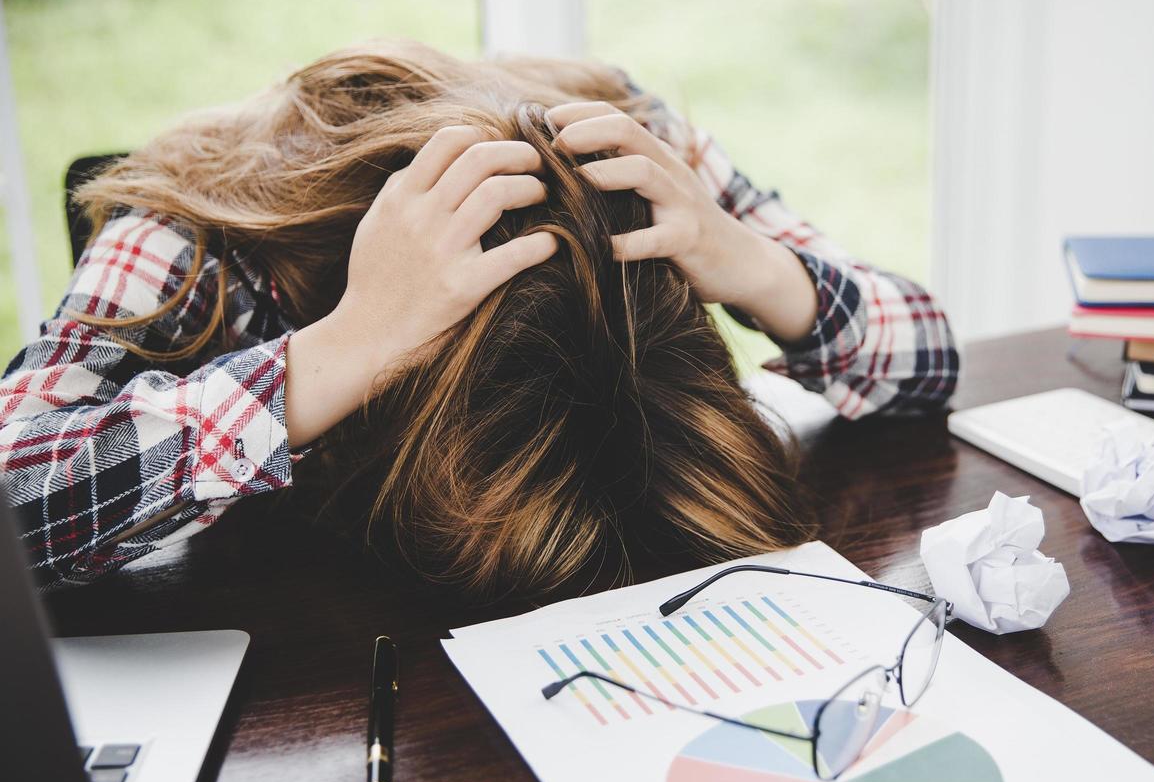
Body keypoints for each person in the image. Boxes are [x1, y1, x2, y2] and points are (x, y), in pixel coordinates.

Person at [0, 41, 958, 594]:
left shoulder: (630, 151)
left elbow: (931, 356)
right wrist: (349, 345)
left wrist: (748, 262)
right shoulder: (203, 228)